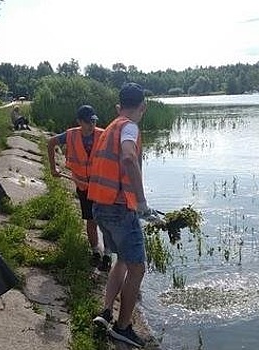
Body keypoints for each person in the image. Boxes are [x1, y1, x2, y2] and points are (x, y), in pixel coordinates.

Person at [88, 83, 159, 348]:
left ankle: (106, 311)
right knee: (137, 268)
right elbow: (129, 159)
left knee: (120, 261)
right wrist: (141, 203)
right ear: (143, 106)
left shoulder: (111, 126)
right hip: (119, 209)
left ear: (120, 105)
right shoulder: (130, 126)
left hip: (101, 206)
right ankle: (123, 327)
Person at [47, 105, 111, 271]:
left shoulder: (103, 135)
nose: (92, 125)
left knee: (105, 221)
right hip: (83, 186)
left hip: (102, 186)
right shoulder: (70, 135)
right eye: (88, 122)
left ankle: (108, 255)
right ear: (79, 122)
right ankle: (96, 251)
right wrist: (53, 168)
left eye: (94, 121)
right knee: (91, 220)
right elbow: (50, 142)